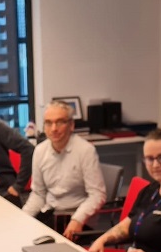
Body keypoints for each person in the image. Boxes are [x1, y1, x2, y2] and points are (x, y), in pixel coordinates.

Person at [22, 100, 106, 239]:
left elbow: (97, 194)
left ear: (71, 125)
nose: (53, 128)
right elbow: (38, 193)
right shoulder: (40, 151)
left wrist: (78, 219)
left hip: (78, 218)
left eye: (60, 122)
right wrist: (23, 217)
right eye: (48, 123)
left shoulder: (86, 151)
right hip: (51, 214)